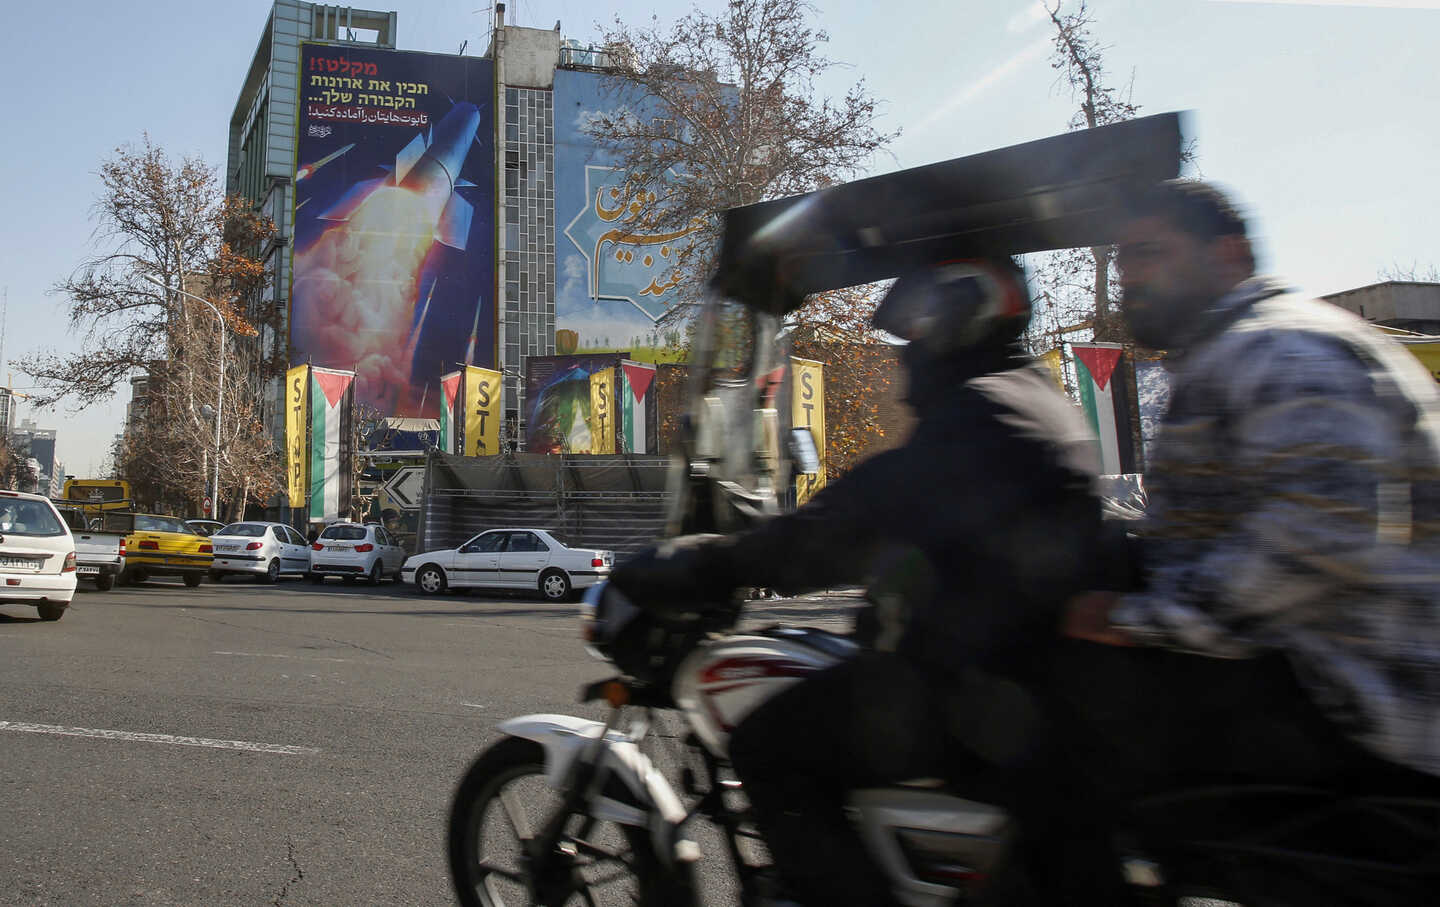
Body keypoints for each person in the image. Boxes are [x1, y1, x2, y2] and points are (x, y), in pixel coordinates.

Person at [611, 256, 1118, 906]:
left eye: (914, 340)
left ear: (954, 326)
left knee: (769, 747)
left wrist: (702, 562)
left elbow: (845, 529)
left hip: (976, 688)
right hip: (1021, 679)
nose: (905, 367)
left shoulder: (983, 415)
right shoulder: (1033, 393)